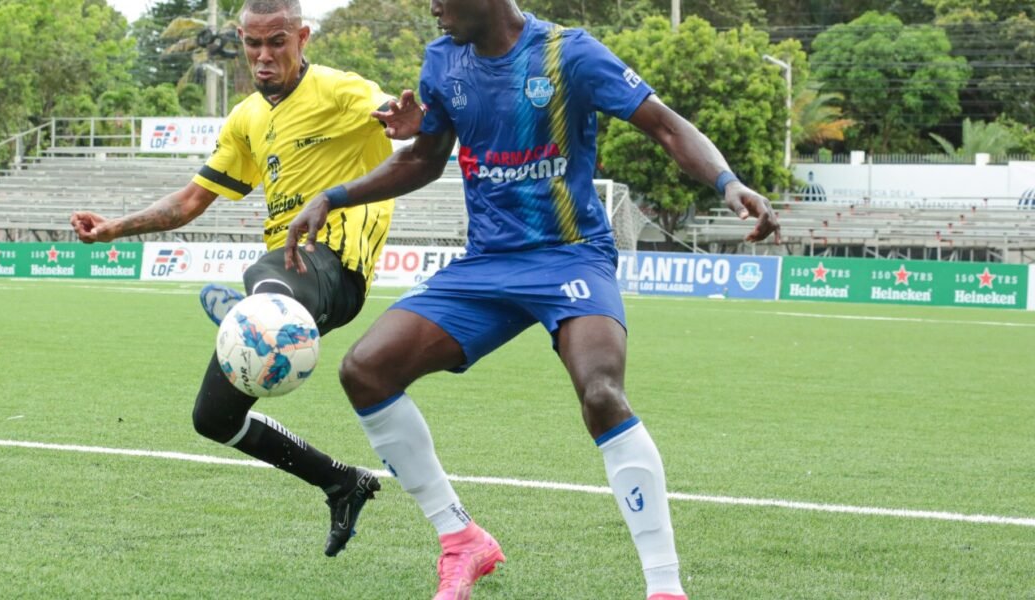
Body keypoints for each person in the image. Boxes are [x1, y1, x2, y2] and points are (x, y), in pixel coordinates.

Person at [283, 2, 781, 598]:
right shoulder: (443, 61)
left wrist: (729, 183)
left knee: (601, 394)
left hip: (571, 256)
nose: (433, 6)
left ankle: (665, 587)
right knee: (366, 370)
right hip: (488, 264)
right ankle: (461, 538)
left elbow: (666, 126)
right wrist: (334, 196)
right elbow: (423, 158)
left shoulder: (569, 54)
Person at [69, 0, 414, 558]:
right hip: (286, 272)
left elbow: (386, 111)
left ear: (303, 37)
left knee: (267, 269)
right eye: (253, 43)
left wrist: (403, 118)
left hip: (335, 264)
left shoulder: (338, 89)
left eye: (277, 41)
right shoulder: (247, 118)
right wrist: (114, 228)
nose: (263, 55)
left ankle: (251, 310)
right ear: (241, 40)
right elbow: (190, 201)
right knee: (214, 418)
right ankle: (340, 482)